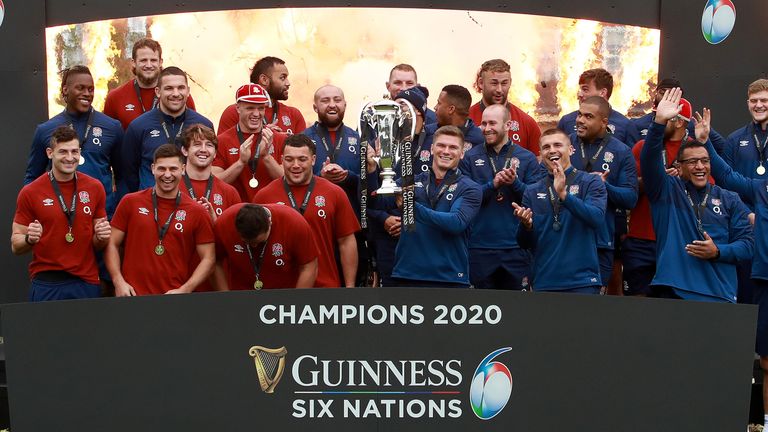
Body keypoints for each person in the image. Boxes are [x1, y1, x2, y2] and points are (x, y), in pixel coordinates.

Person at [639, 87, 753, 301]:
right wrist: (659, 123)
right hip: (674, 290)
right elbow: (649, 161)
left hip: (719, 295)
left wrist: (718, 251)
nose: (700, 166)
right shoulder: (666, 190)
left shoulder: (730, 199)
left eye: (705, 161)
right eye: (691, 162)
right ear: (679, 167)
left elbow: (748, 244)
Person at [697, 107, 768, 431]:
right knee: (764, 358)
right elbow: (727, 176)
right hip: (762, 275)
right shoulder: (761, 190)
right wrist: (707, 142)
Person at [12, 126, 110, 301]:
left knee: (88, 330)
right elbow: (15, 244)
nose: (70, 158)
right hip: (47, 283)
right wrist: (29, 239)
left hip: (85, 281)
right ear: (50, 153)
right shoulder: (30, 192)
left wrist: (101, 237)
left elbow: (97, 244)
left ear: (80, 153)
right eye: (63, 152)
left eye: (74, 152)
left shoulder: (95, 188)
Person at [106, 144, 215, 296]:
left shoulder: (196, 211)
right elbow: (112, 243)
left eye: (173, 169)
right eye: (162, 168)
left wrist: (186, 289)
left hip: (173, 299)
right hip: (132, 296)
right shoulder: (130, 202)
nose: (167, 175)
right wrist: (118, 281)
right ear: (152, 168)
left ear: (183, 169)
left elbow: (209, 258)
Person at [254, 134, 360, 288]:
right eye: (289, 159)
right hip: (279, 291)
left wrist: (350, 287)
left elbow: (346, 242)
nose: (295, 165)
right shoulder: (264, 196)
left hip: (325, 288)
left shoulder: (334, 193)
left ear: (314, 160)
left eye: (302, 159)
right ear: (281, 160)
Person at [513, 129, 607, 294]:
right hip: (544, 281)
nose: (552, 150)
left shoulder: (591, 182)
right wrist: (526, 225)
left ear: (570, 150)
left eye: (558, 145)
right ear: (541, 154)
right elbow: (523, 243)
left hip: (582, 282)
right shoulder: (532, 191)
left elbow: (596, 218)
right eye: (546, 147)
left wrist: (564, 194)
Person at [387, 125, 482, 288]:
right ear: (431, 148)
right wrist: (371, 169)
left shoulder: (470, 188)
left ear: (462, 153)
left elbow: (456, 222)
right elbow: (375, 202)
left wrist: (411, 206)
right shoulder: (410, 182)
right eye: (441, 145)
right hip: (408, 275)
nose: (446, 151)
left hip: (450, 277)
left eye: (453, 147)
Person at [459, 104, 541, 290]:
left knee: (517, 312)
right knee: (480, 312)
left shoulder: (527, 158)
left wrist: (515, 184)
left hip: (516, 249)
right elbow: (464, 199)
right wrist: (492, 185)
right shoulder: (470, 157)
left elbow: (537, 200)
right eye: (483, 124)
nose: (486, 128)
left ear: (507, 125)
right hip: (479, 248)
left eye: (492, 123)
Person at [25, 65, 123, 217]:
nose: (87, 94)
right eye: (80, 88)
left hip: (101, 218)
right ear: (65, 90)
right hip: (59, 216)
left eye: (90, 89)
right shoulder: (45, 130)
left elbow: (123, 177)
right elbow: (33, 177)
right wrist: (32, 214)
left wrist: (115, 213)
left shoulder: (112, 127)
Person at [568, 96, 638, 291]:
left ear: (604, 122)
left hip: (600, 242)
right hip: (564, 238)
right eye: (579, 114)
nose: (580, 120)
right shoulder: (563, 144)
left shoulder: (621, 151)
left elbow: (630, 199)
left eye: (588, 116)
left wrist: (604, 185)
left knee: (592, 307)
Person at [367, 86, 432, 286]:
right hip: (388, 235)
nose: (398, 111)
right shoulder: (382, 142)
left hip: (424, 235)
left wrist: (409, 218)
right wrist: (383, 218)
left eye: (403, 106)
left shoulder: (437, 141)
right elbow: (370, 196)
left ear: (418, 112)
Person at [121, 67, 213, 193]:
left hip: (191, 203)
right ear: (158, 92)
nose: (176, 94)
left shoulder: (204, 125)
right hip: (150, 204)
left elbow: (209, 167)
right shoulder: (138, 126)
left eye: (181, 88)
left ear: (188, 91)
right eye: (169, 88)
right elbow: (128, 173)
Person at [213, 203, 319, 290]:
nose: (254, 246)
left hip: (285, 294)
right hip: (241, 295)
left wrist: (295, 302)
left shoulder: (294, 223)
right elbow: (214, 262)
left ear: (270, 222)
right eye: (247, 242)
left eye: (259, 242)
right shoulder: (224, 223)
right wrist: (226, 297)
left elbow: (309, 266)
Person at [103, 38, 197, 130]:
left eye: (153, 60)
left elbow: (194, 132)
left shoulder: (179, 96)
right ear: (134, 63)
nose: (148, 65)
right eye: (143, 60)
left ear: (160, 62)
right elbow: (108, 137)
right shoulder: (115, 97)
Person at [213, 83, 285, 202]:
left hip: (271, 211)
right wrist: (240, 163)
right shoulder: (222, 141)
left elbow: (289, 181)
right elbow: (215, 184)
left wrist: (266, 157)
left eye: (261, 108)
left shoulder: (279, 139)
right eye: (250, 108)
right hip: (236, 212)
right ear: (237, 108)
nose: (256, 114)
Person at [468, 59, 541, 155]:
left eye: (504, 83)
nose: (499, 89)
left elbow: (538, 163)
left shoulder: (527, 123)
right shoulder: (466, 119)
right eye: (494, 83)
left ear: (510, 82)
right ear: (481, 83)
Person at [217, 56, 306, 134]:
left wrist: (282, 141)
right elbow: (223, 151)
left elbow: (304, 151)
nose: (288, 83)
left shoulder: (294, 114)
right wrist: (259, 136)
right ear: (264, 80)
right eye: (282, 78)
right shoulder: (235, 112)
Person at [557, 68, 640, 148]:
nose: (580, 95)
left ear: (602, 92)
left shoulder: (625, 125)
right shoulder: (567, 121)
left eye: (585, 90)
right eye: (580, 90)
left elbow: (633, 159)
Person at [180, 124, 241, 220]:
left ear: (215, 153)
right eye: (197, 144)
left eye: (209, 145)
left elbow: (234, 234)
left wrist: (215, 222)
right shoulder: (171, 189)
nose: (203, 150)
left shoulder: (230, 193)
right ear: (185, 150)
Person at [424, 85, 484, 152]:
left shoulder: (479, 140)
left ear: (451, 109)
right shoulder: (427, 133)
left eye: (439, 103)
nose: (435, 107)